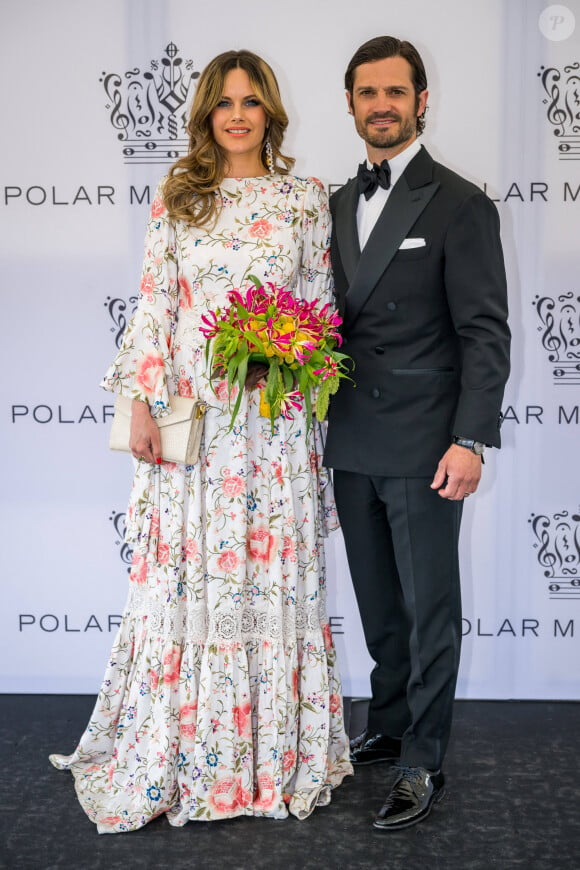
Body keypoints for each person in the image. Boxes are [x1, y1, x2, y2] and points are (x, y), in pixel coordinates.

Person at [50, 49, 352, 834]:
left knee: (268, 582)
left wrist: (290, 353)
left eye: (252, 101)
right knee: (193, 582)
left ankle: (272, 755)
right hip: (199, 430)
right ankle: (192, 753)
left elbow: (320, 309)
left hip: (276, 430)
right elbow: (154, 305)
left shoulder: (303, 200)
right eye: (224, 103)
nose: (239, 115)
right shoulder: (179, 198)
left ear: (271, 113)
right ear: (207, 115)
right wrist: (142, 403)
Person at [324, 36, 510, 830]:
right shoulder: (335, 202)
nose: (383, 106)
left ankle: (423, 760)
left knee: (430, 607)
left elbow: (485, 333)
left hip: (428, 443)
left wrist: (471, 438)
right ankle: (392, 719)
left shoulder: (460, 202)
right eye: (368, 93)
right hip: (352, 436)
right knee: (378, 604)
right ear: (353, 105)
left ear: (422, 100)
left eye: (396, 92)